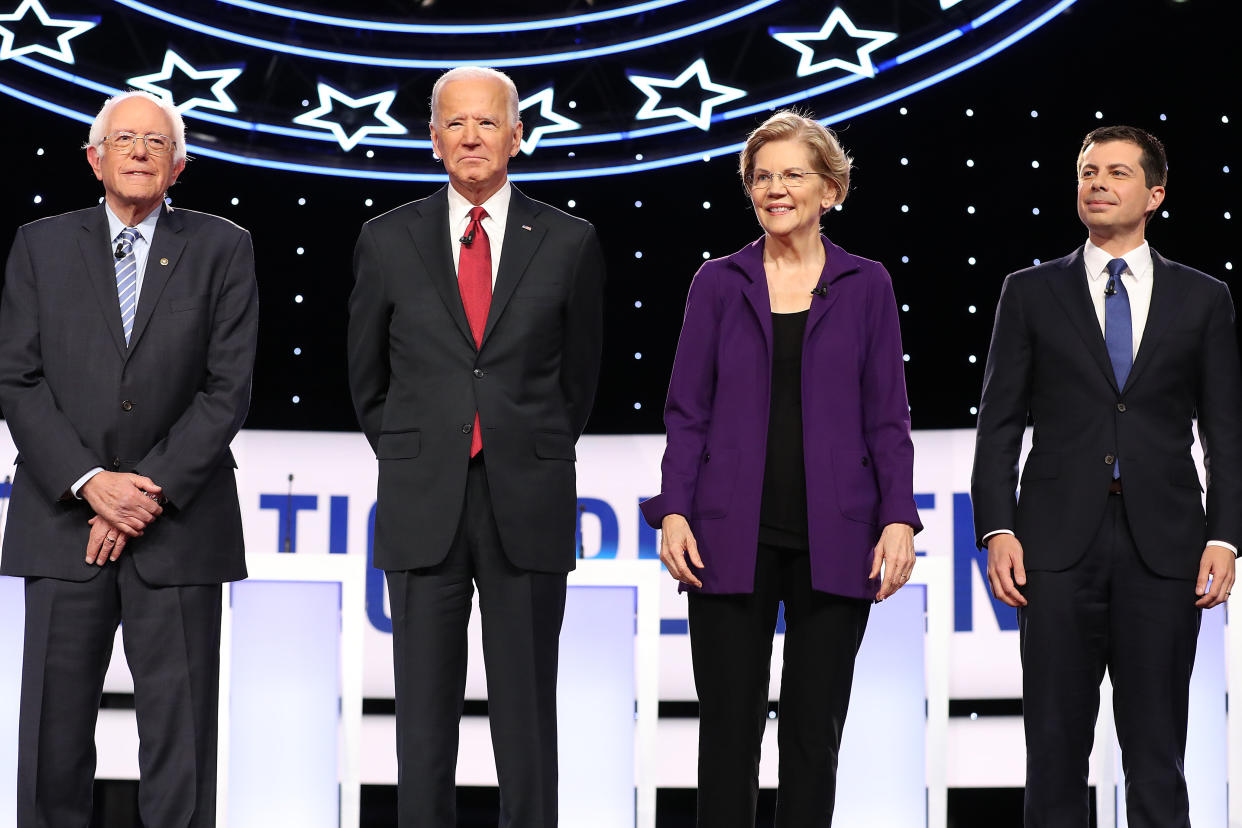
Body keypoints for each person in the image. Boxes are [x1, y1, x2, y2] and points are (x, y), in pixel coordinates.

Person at [640, 111, 921, 827]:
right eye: (762, 177)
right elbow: (686, 410)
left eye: (792, 174)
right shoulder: (717, 282)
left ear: (830, 189)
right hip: (728, 534)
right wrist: (675, 509)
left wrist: (897, 518)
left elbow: (888, 415)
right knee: (727, 733)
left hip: (840, 534)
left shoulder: (867, 284)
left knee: (812, 733)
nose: (774, 188)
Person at [347, 66, 605, 827]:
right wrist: (418, 451)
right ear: (432, 140)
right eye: (454, 124)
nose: (470, 137)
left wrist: (525, 448)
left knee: (526, 719)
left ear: (517, 135)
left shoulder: (569, 240)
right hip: (423, 501)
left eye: (487, 123)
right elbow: (368, 378)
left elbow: (578, 379)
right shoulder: (385, 239)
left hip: (527, 501)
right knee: (421, 722)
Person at [0, 90, 258, 827]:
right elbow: (17, 377)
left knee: (180, 749)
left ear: (179, 164)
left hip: (178, 526)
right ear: (94, 158)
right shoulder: (39, 245)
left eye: (156, 142)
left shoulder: (224, 246)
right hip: (61, 524)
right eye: (124, 140)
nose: (139, 152)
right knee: (52, 742)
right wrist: (90, 484)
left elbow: (227, 387)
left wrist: (141, 493)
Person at [972, 125, 1242, 826]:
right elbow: (999, 423)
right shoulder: (1029, 292)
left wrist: (1225, 538)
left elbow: (1225, 429)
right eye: (1088, 170)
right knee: (1055, 750)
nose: (1097, 183)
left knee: (1157, 752)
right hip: (1055, 549)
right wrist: (997, 527)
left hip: (1166, 546)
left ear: (1154, 194)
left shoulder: (1203, 298)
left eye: (1117, 173)